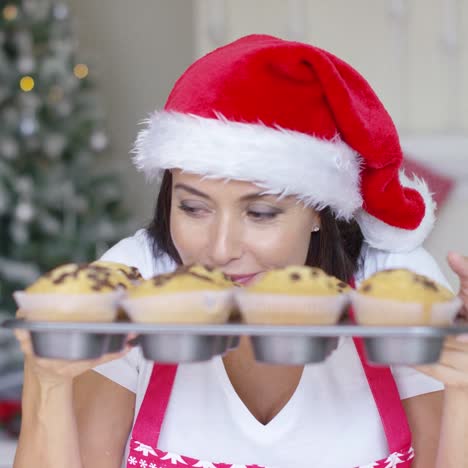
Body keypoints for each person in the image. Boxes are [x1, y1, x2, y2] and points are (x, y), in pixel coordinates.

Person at [12, 34, 468, 468]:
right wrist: (46, 382)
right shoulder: (137, 284)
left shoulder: (391, 293)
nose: (220, 249)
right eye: (193, 207)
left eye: (261, 213)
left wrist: (464, 389)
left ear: (318, 212)